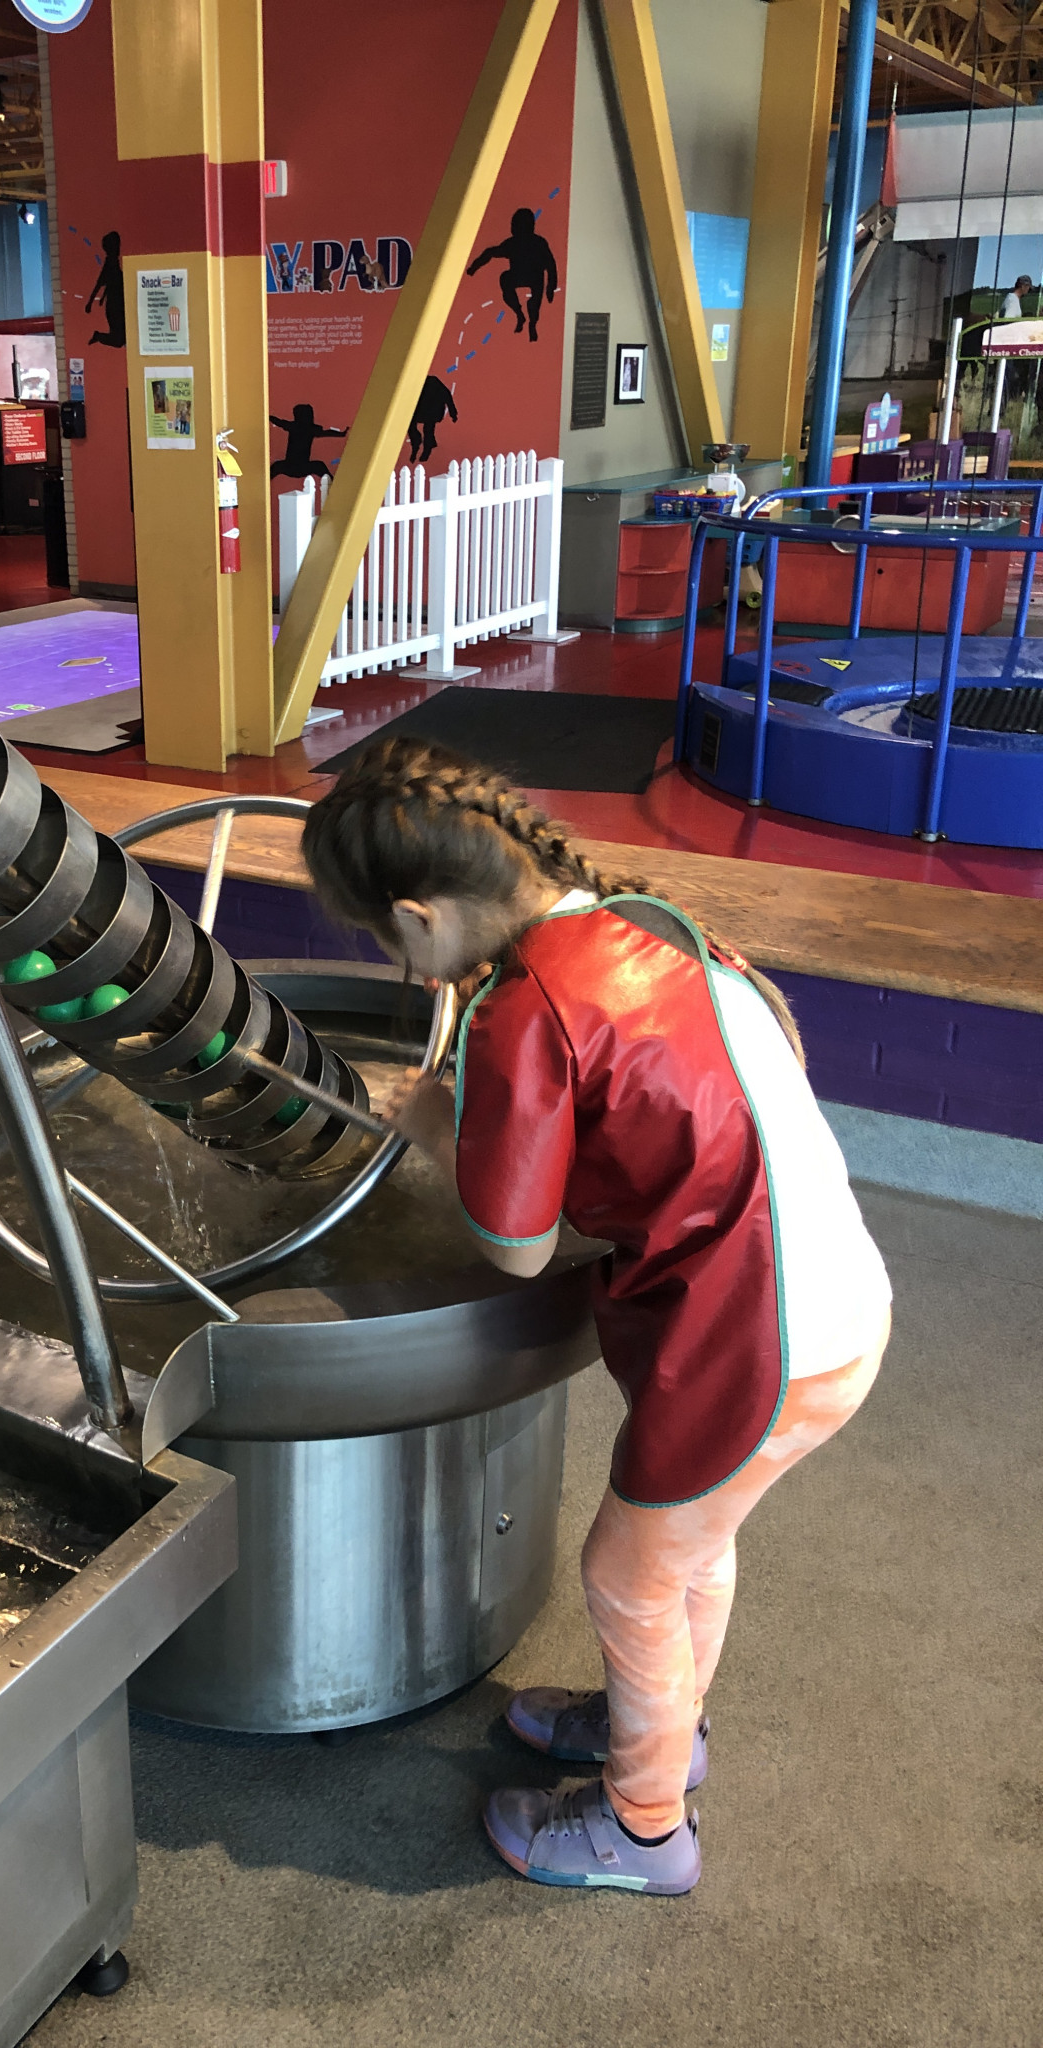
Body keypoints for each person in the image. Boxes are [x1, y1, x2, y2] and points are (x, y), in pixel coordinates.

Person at [300, 738, 892, 1897]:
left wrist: (434, 1124)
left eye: (386, 941)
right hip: (836, 1300)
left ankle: (644, 1828)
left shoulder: (529, 1008)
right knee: (686, 1549)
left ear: (420, 918)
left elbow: (516, 1246)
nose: (398, 964)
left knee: (628, 1575)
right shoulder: (641, 918)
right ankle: (656, 1718)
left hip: (755, 1349)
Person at [467, 208, 559, 342]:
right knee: (505, 278)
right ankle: (520, 314)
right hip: (518, 275)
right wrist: (473, 268)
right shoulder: (514, 243)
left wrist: (550, 287)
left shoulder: (538, 243)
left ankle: (532, 323)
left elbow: (551, 265)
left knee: (536, 293)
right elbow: (490, 252)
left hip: (535, 277)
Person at [270, 403, 347, 481]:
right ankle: (333, 482)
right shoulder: (310, 429)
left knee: (277, 466)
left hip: (293, 466)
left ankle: (333, 482)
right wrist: (341, 434)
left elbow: (279, 422)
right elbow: (327, 432)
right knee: (319, 466)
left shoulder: (294, 426)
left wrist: (268, 416)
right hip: (299, 467)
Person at [408, 375, 458, 464]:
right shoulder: (418, 384)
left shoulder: (433, 383)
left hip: (432, 412)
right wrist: (453, 414)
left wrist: (453, 413)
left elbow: (447, 396)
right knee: (415, 426)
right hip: (422, 411)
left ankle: (427, 447)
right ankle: (418, 442)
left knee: (428, 428)